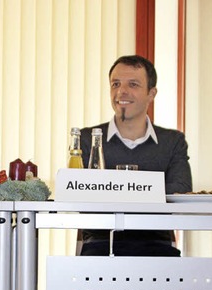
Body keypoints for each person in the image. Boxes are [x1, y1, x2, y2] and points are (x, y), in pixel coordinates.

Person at [79, 55, 193, 257]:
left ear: (152, 93)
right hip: (100, 246)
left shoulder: (172, 141)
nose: (122, 91)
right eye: (115, 84)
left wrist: (116, 189)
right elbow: (80, 192)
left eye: (133, 84)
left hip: (157, 246)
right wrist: (147, 190)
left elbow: (180, 192)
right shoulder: (88, 138)